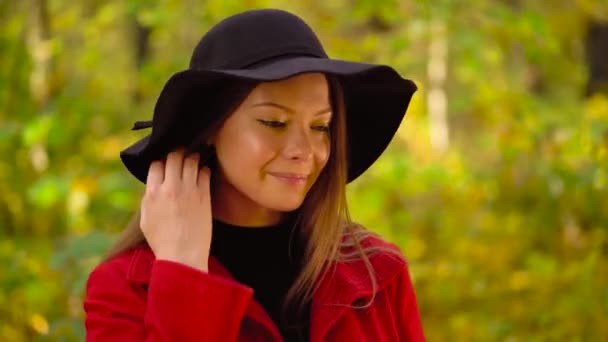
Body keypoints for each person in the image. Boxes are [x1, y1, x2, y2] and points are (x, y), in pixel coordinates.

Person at [83, 8, 424, 342]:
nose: (304, 150)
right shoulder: (124, 289)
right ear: (210, 128)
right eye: (274, 122)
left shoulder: (377, 272)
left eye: (321, 126)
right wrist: (182, 273)